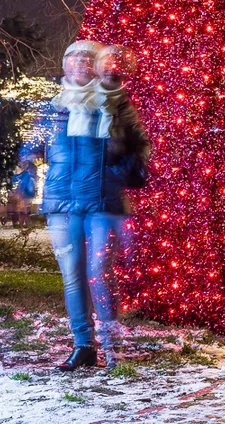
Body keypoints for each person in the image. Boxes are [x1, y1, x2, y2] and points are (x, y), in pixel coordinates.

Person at [21, 40, 149, 371]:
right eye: (72, 58)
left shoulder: (115, 104)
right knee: (73, 277)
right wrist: (25, 174)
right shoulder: (53, 107)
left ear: (96, 65)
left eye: (86, 58)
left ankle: (111, 345)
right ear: (65, 66)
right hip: (63, 203)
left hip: (103, 202)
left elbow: (138, 149)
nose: (79, 63)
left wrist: (118, 169)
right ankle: (83, 346)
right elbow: (31, 147)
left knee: (98, 274)